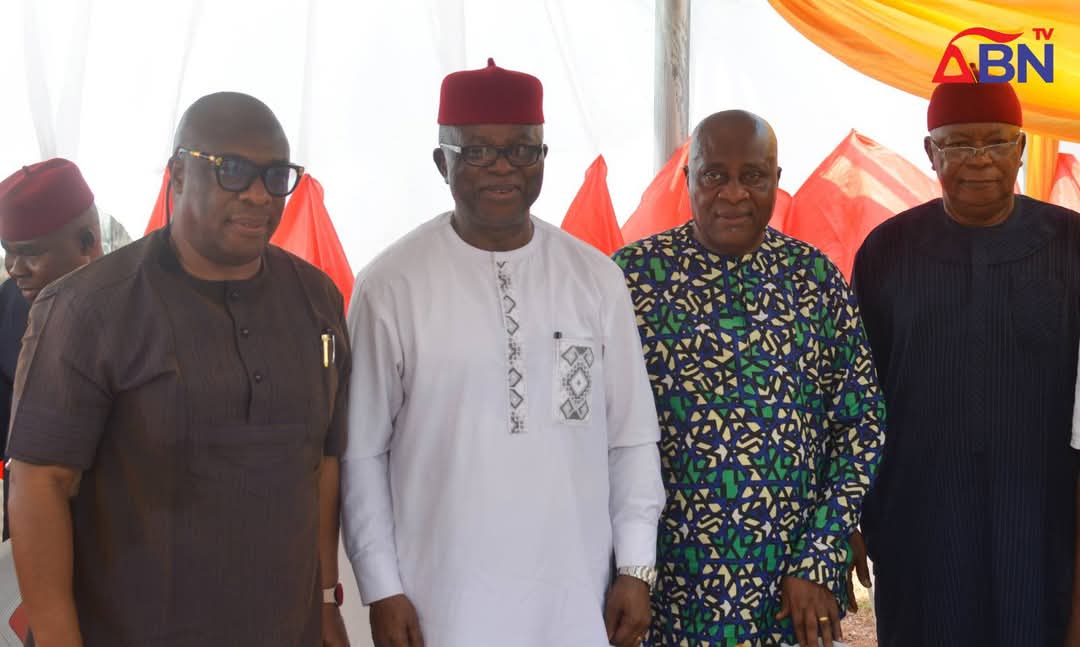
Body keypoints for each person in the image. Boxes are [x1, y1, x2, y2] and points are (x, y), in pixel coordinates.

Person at [6, 92, 351, 646]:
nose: (258, 194)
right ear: (179, 174)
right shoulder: (87, 308)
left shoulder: (317, 300)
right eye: (232, 170)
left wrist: (327, 601)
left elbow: (324, 461)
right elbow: (39, 483)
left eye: (275, 175)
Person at [342, 58, 665, 647]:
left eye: (521, 150)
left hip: (574, 597)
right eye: (476, 151)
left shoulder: (595, 279)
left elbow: (631, 437)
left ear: (543, 157)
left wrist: (636, 566)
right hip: (440, 598)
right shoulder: (390, 285)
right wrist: (381, 588)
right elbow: (362, 451)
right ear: (441, 161)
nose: (501, 167)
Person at [613, 110, 885, 647]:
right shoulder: (632, 279)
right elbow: (599, 435)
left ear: (776, 181)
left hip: (791, 593)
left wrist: (822, 549)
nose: (734, 194)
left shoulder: (813, 280)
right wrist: (629, 568)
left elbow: (862, 425)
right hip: (665, 592)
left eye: (753, 176)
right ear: (688, 177)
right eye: (714, 175)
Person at [852, 81, 1080, 646]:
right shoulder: (887, 251)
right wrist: (854, 512)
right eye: (958, 144)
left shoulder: (1070, 244)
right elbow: (857, 397)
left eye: (996, 142)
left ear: (1020, 148)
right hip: (920, 515)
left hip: (1041, 515)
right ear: (931, 152)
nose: (980, 159)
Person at [0, 159, 103, 456]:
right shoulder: (9, 303)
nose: (15, 269)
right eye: (8, 251)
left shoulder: (143, 311)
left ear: (86, 242)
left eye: (30, 253)